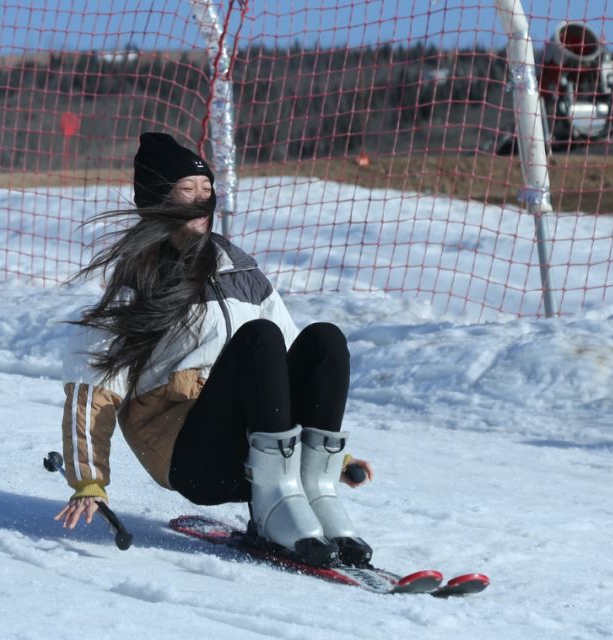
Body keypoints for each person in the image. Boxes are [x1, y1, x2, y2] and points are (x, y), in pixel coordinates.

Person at [54, 132, 374, 567]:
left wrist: (332, 457)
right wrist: (89, 481)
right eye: (187, 190)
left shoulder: (236, 265)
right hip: (191, 456)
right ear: (157, 198)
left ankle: (313, 489)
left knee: (324, 340)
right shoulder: (139, 279)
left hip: (251, 451)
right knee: (258, 340)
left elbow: (293, 363)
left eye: (207, 190)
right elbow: (93, 386)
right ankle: (273, 505)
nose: (202, 200)